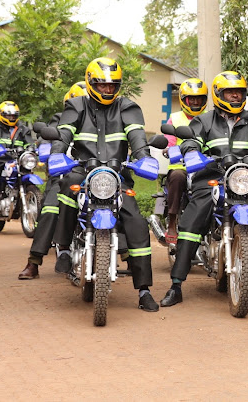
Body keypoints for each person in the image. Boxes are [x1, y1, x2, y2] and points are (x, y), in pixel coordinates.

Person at [162, 71, 248, 307]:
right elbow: (192, 140)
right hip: (211, 177)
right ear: (218, 94)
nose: (235, 96)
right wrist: (192, 151)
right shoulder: (204, 120)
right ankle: (176, 285)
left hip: (244, 179)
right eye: (230, 92)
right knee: (191, 222)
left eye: (239, 92)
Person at [51, 58, 160, 312]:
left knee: (136, 221)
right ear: (90, 83)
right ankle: (64, 249)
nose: (107, 90)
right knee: (68, 189)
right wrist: (57, 153)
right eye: (102, 86)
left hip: (116, 174)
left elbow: (137, 138)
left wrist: (144, 158)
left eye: (112, 86)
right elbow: (63, 133)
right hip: (82, 169)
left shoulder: (128, 107)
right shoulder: (76, 105)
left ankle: (144, 290)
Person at [18, 81, 87, 279]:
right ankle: (34, 262)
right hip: (62, 177)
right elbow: (49, 143)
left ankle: (129, 259)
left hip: (94, 176)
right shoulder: (59, 120)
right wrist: (48, 152)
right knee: (49, 210)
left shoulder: (102, 121)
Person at [163, 78, 207, 241]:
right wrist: (169, 149)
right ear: (183, 99)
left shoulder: (209, 118)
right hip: (181, 166)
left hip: (204, 165)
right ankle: (172, 221)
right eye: (192, 98)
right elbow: (169, 140)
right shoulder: (174, 118)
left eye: (199, 98)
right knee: (177, 177)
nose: (195, 102)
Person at [0, 101, 33, 224]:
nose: (11, 118)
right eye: (8, 116)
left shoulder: (23, 130)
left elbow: (30, 143)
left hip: (18, 161)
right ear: (1, 115)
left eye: (13, 116)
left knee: (27, 174)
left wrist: (31, 149)